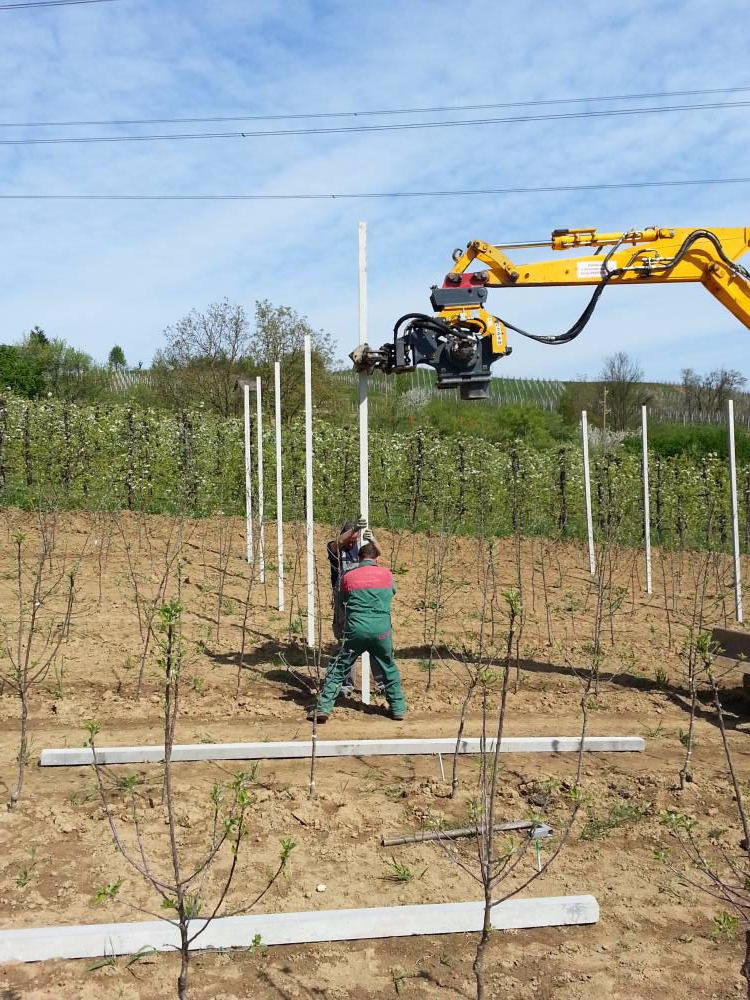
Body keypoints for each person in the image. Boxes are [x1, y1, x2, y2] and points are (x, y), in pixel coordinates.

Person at [309, 541, 407, 722]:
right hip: (381, 631)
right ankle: (398, 708)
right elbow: (392, 592)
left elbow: (343, 599)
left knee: (338, 666)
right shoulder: (386, 575)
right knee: (388, 667)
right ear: (375, 558)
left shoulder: (349, 576)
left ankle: (323, 708)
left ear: (359, 558)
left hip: (356, 629)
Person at [326, 519, 385, 695]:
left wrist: (372, 540)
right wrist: (352, 530)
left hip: (362, 602)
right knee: (346, 644)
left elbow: (377, 554)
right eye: (351, 537)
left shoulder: (360, 551)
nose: (353, 542)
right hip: (343, 603)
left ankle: (382, 684)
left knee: (374, 642)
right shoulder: (335, 549)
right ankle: (346, 686)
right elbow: (337, 544)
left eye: (356, 538)